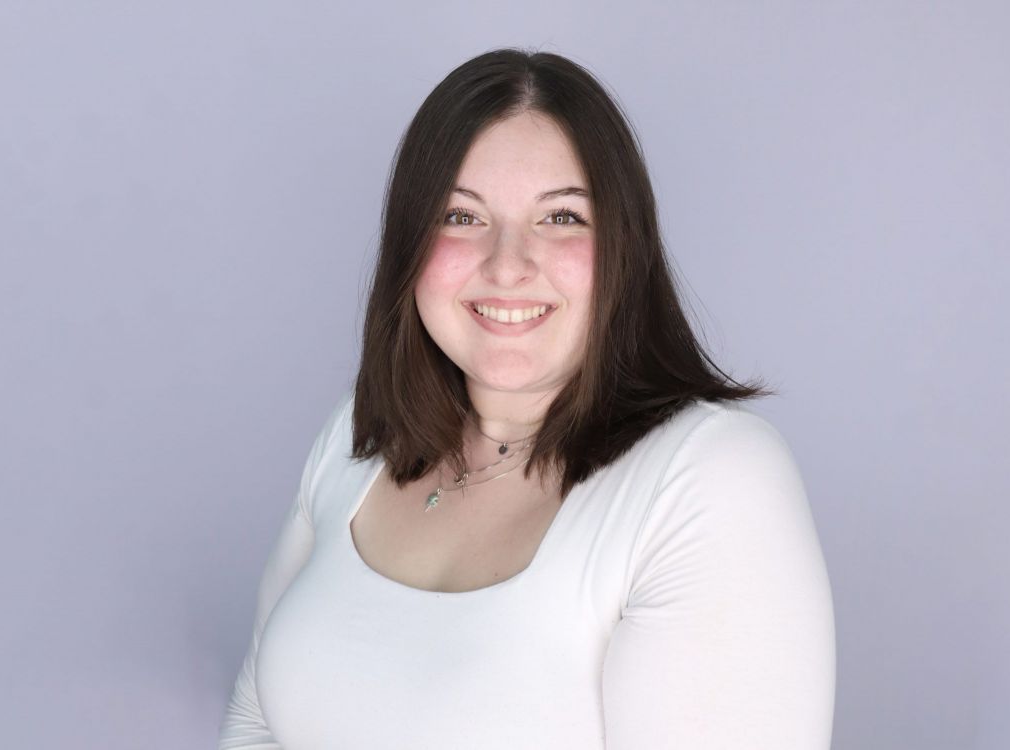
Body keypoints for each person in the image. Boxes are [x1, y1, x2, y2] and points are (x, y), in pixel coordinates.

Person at [219, 48, 835, 749]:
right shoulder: (357, 439)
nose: (508, 264)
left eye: (562, 218)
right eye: (461, 216)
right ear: (408, 246)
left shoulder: (710, 477)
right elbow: (256, 722)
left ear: (625, 250)